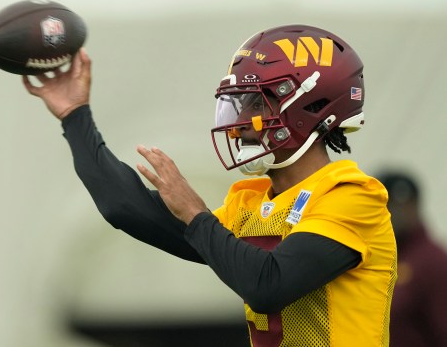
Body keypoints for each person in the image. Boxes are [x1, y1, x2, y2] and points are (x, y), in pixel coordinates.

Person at [23, 25, 397, 346]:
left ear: (312, 106)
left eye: (257, 103)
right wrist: (75, 115)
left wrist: (195, 214)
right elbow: (123, 207)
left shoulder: (352, 196)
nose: (240, 121)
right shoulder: (253, 204)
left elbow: (268, 286)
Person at [376, 171, 447, 347]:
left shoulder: (433, 262)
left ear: (413, 206)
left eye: (395, 205)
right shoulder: (380, 259)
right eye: (382, 206)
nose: (390, 214)